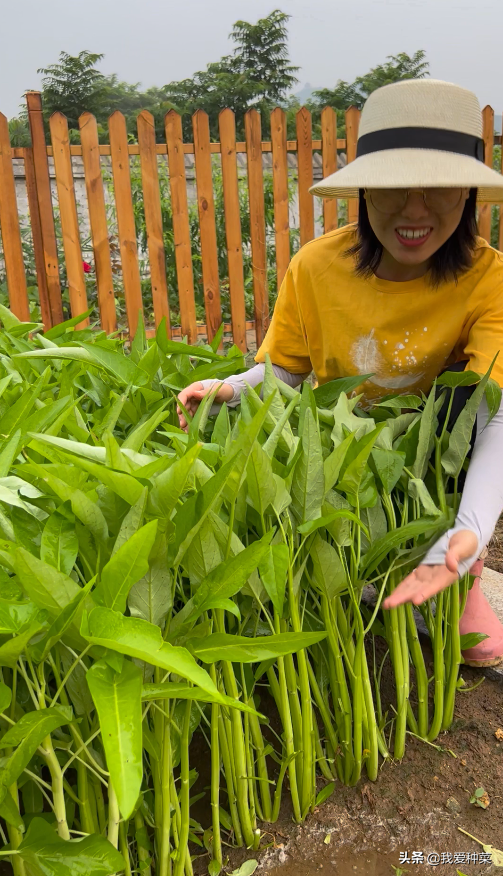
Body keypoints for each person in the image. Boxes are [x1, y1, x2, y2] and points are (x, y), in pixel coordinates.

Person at [177, 78, 503, 667]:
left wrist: (471, 531)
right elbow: (286, 373)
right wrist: (230, 390)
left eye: (438, 188)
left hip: (436, 466)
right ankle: (362, 565)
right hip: (344, 461)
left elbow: (493, 415)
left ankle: (462, 580)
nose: (414, 210)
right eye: (392, 187)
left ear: (469, 194)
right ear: (362, 191)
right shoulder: (316, 267)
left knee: (460, 426)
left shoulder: (489, 278)